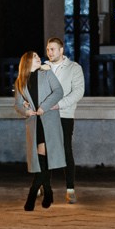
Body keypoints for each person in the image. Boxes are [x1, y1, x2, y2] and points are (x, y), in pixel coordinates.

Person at [13, 51, 68, 210]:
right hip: (33, 123)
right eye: (34, 56)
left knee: (44, 159)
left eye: (38, 56)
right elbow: (17, 104)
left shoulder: (47, 73)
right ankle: (49, 192)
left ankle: (32, 196)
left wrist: (43, 107)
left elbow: (58, 91)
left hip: (48, 121)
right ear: (27, 61)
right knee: (41, 161)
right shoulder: (20, 82)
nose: (38, 58)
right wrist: (26, 111)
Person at [42, 38, 86, 203]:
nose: (50, 52)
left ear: (61, 50)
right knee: (44, 150)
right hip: (45, 114)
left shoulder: (74, 68)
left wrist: (59, 105)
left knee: (66, 149)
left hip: (64, 115)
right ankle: (44, 185)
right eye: (48, 49)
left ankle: (70, 188)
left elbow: (78, 91)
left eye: (53, 49)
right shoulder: (42, 68)